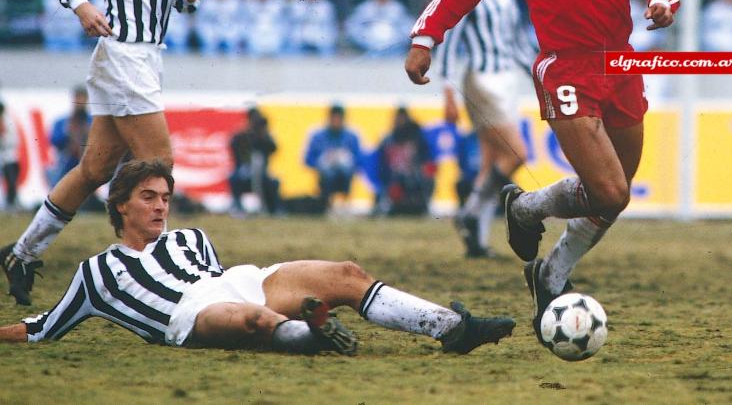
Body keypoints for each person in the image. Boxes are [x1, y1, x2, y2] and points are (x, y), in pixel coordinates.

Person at [405, 0, 681, 341]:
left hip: (622, 65)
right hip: (565, 68)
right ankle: (527, 207)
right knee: (606, 188)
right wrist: (425, 37)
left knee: (614, 197)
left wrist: (664, 1)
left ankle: (548, 269)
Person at [0, 160, 513, 354]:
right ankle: (309, 336)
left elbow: (221, 277)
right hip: (188, 315)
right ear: (119, 206)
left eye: (164, 197)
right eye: (148, 198)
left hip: (241, 281)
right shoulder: (96, 273)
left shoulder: (191, 237)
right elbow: (43, 328)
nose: (161, 206)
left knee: (347, 273)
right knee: (247, 320)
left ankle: (451, 329)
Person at [2, 0, 201, 306]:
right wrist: (82, 7)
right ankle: (160, 276)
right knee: (160, 165)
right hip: (121, 53)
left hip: (151, 56)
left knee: (94, 168)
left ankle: (23, 253)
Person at [439, 0, 535, 258]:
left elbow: (518, 46)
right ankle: (468, 212)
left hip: (507, 80)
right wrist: (448, 91)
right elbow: (450, 41)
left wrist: (539, 77)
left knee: (491, 161)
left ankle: (477, 242)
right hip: (482, 80)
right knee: (517, 152)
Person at [303, 104, 366, 213]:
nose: (336, 121)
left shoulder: (352, 137)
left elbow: (360, 160)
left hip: (345, 174)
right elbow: (308, 159)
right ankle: (327, 204)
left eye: (339, 118)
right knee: (328, 174)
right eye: (333, 118)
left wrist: (346, 159)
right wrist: (323, 160)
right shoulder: (318, 136)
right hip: (325, 175)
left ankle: (345, 204)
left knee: (344, 172)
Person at [373, 106, 434, 216]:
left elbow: (427, 160)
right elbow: (381, 166)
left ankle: (422, 205)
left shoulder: (418, 138)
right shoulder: (387, 141)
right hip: (394, 180)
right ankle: (387, 206)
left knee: (423, 179)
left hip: (415, 178)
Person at [229, 107, 281, 215]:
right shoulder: (241, 135)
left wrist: (263, 136)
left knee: (273, 182)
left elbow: (274, 148)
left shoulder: (265, 136)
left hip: (262, 173)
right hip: (244, 171)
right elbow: (234, 149)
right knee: (234, 178)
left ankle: (275, 208)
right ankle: (237, 206)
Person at [48, 86, 91, 188]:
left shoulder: (92, 121)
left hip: (87, 161)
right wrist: (67, 133)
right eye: (77, 98)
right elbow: (54, 140)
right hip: (67, 161)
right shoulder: (62, 122)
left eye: (82, 98)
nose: (80, 101)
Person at [0, 102, 18, 210]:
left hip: (8, 157)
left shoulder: (8, 122)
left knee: (11, 182)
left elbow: (14, 141)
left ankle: (11, 202)